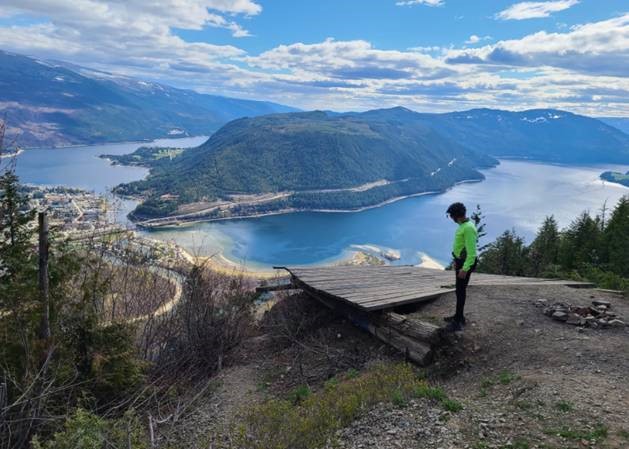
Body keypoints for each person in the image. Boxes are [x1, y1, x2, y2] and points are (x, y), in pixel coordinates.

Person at [444, 202, 478, 331]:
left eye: (451, 216)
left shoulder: (468, 228)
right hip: (460, 262)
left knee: (460, 291)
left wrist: (465, 268)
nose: (451, 218)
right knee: (459, 290)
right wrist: (456, 260)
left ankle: (458, 322)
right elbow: (461, 247)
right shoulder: (464, 225)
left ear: (455, 216)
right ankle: (458, 316)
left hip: (465, 264)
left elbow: (472, 253)